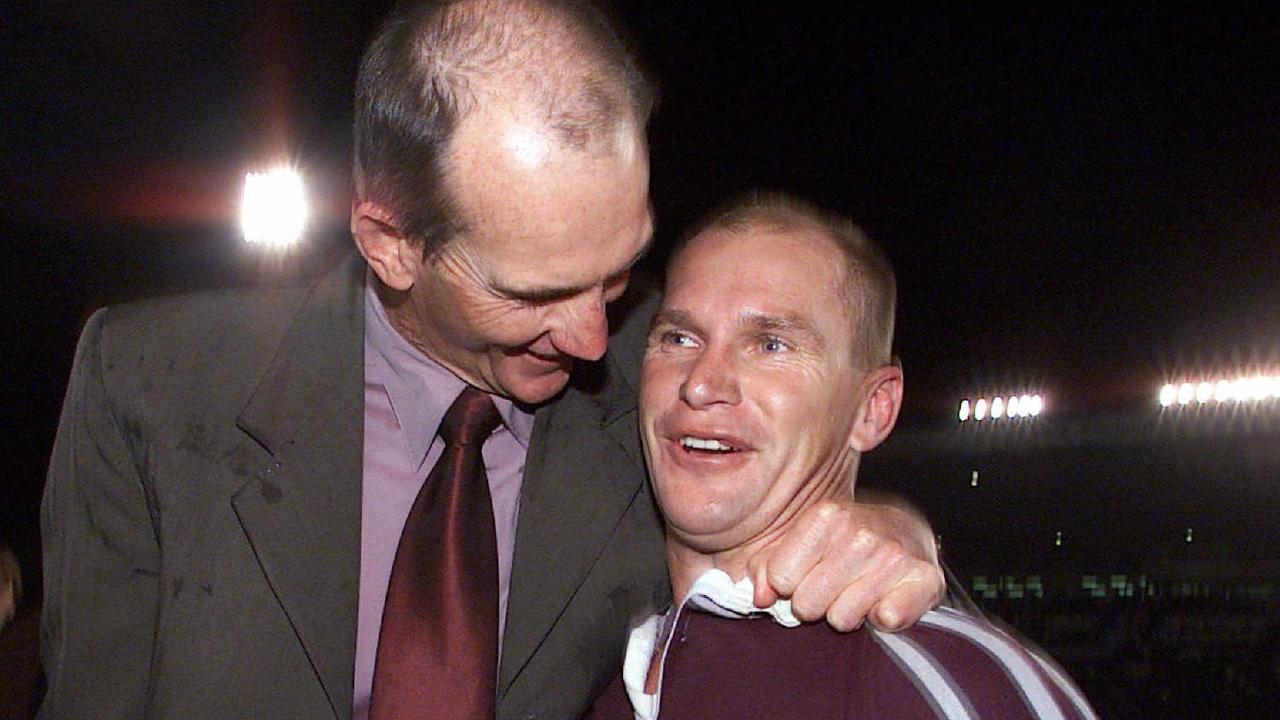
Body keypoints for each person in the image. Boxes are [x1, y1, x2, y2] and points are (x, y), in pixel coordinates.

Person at [39, 3, 944, 719]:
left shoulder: (666, 385)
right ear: (390, 244)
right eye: (534, 295)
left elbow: (828, 548)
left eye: (618, 270)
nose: (594, 338)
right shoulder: (152, 385)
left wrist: (891, 530)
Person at [587, 193, 1098, 719]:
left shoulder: (957, 684)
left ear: (872, 410)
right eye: (679, 337)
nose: (702, 384)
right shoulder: (583, 674)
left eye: (770, 345)